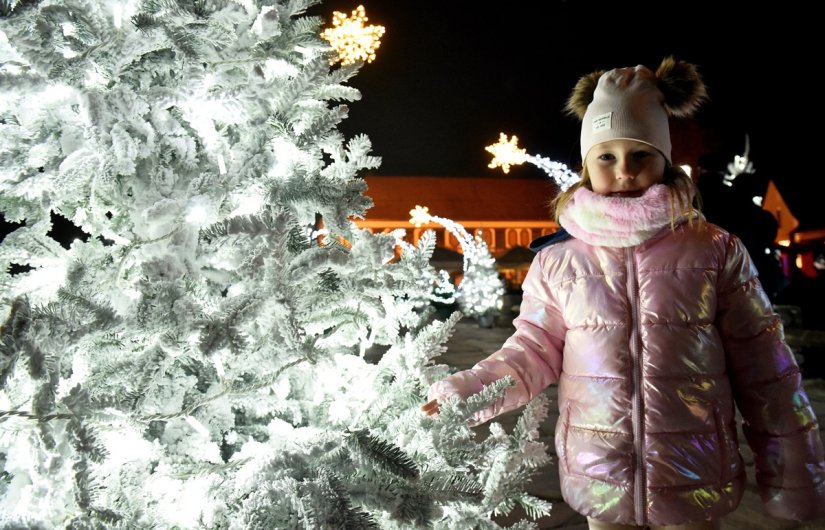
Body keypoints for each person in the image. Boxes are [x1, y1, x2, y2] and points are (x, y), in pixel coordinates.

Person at [421, 57, 825, 529]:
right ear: (587, 166)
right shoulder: (559, 261)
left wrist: (795, 477)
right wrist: (466, 393)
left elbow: (766, 370)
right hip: (600, 477)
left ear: (666, 162)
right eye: (606, 156)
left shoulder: (713, 250)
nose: (624, 171)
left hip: (695, 474)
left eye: (641, 155)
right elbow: (530, 351)